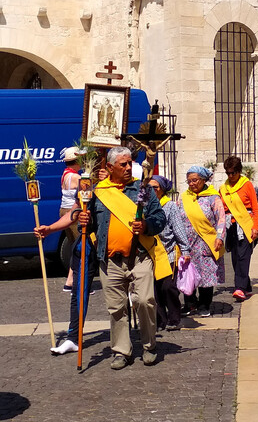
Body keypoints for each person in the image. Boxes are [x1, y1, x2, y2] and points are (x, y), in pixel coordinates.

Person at [37, 147, 167, 369]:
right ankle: (121, 351)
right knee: (116, 308)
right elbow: (78, 216)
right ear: (110, 168)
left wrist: (146, 225)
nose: (128, 168)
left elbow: (160, 218)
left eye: (129, 164)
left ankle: (149, 345)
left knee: (145, 301)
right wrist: (59, 226)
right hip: (110, 260)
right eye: (122, 165)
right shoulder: (97, 193)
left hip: (140, 256)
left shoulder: (141, 190)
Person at [178, 166, 227, 317]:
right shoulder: (184, 197)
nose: (192, 184)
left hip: (206, 242)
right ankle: (189, 303)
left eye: (195, 180)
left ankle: (205, 305)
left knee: (207, 274)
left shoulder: (213, 197)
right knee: (188, 273)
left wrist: (219, 237)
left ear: (203, 180)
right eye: (189, 181)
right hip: (188, 242)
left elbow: (221, 219)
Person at [150, 175, 189, 330]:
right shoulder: (145, 206)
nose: (152, 191)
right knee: (154, 290)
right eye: (149, 188)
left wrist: (185, 249)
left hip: (168, 252)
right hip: (151, 253)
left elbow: (178, 228)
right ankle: (160, 320)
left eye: (155, 187)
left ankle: (174, 318)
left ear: (162, 190)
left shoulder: (170, 206)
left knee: (168, 287)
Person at [220, 156, 258, 302]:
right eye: (228, 173)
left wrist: (256, 227)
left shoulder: (247, 185)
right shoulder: (223, 188)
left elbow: (256, 208)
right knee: (235, 257)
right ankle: (247, 286)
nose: (230, 176)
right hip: (231, 226)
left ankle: (240, 288)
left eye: (233, 173)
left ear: (239, 171)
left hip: (246, 225)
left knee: (243, 257)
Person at [59, 147, 82, 293]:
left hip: (64, 210)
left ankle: (70, 281)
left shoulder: (66, 174)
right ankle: (78, 284)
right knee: (80, 247)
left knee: (75, 246)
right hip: (72, 212)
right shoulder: (76, 177)